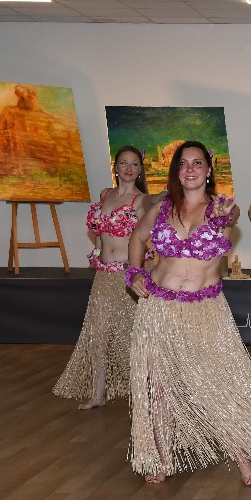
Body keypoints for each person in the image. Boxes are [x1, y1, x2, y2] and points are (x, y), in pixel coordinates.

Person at [126, 140, 251, 485]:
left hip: (203, 310)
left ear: (208, 170)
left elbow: (231, 218)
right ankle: (162, 458)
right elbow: (136, 238)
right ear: (177, 171)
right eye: (183, 163)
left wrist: (226, 216)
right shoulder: (162, 207)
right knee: (157, 386)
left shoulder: (220, 208)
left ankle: (242, 459)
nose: (190, 169)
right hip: (157, 308)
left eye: (197, 163)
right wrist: (134, 272)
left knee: (214, 382)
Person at [54, 145, 161, 409]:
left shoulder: (142, 200)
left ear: (140, 170)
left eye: (134, 164)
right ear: (116, 167)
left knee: (139, 337)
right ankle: (98, 394)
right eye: (124, 163)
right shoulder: (105, 194)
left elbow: (160, 199)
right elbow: (100, 235)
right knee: (98, 336)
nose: (128, 168)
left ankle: (149, 395)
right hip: (104, 275)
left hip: (130, 275)